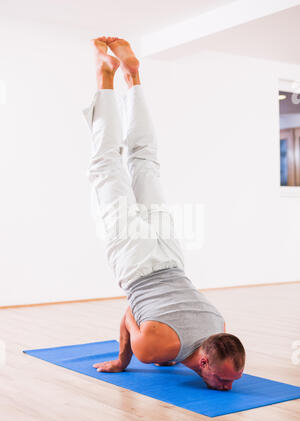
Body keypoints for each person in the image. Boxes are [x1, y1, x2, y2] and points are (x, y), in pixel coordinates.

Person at [82, 37, 245, 391]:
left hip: (172, 254)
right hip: (137, 264)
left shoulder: (219, 326)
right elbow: (129, 315)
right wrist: (123, 362)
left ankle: (133, 79)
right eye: (223, 378)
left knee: (145, 161)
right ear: (204, 361)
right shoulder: (155, 348)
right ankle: (105, 78)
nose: (227, 387)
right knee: (106, 166)